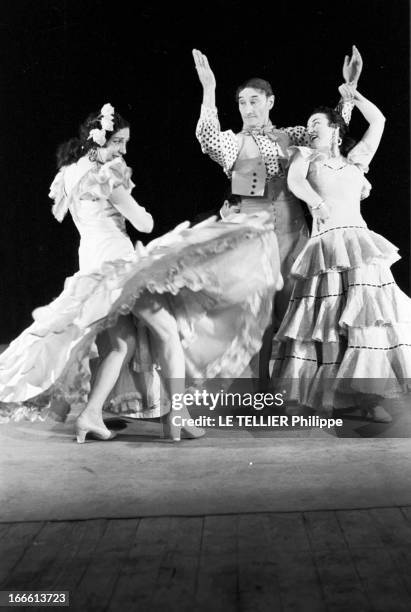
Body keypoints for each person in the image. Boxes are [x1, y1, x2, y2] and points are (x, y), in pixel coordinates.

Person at [0, 103, 280, 441]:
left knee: (124, 345)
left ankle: (90, 416)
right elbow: (143, 222)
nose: (123, 150)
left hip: (93, 267)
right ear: (97, 140)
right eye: (118, 142)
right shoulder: (107, 175)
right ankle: (176, 418)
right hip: (120, 267)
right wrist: (133, 201)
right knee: (167, 332)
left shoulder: (69, 174)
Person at [193, 47, 363, 385]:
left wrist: (350, 91)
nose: (248, 108)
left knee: (299, 307)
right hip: (253, 236)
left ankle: (304, 384)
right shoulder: (233, 143)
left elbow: (329, 133)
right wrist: (209, 89)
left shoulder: (292, 135)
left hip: (293, 232)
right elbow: (206, 138)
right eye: (242, 102)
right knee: (259, 312)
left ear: (270, 101)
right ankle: (262, 386)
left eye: (254, 100)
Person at [271, 83, 411, 422]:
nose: (311, 128)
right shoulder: (306, 157)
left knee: (367, 320)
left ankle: (367, 397)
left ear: (335, 129)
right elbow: (295, 182)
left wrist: (354, 96)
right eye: (309, 125)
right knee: (327, 322)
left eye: (318, 123)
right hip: (326, 245)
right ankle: (330, 397)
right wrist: (316, 202)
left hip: (360, 244)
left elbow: (378, 122)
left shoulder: (355, 161)